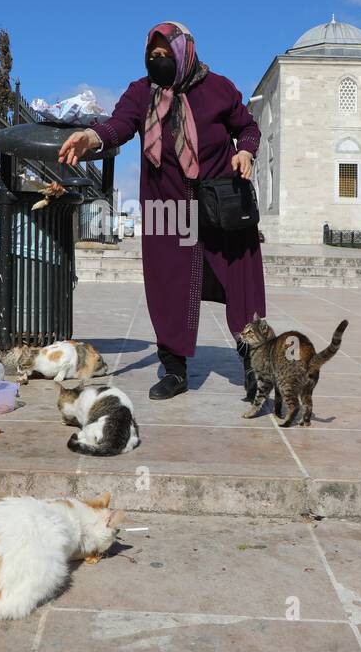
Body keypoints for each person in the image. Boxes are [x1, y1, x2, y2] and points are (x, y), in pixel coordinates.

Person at [59, 22, 267, 399]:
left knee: (240, 282)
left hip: (222, 201)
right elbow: (120, 125)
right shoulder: (141, 93)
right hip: (167, 204)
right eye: (152, 56)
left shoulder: (218, 88)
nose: (158, 62)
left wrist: (245, 151)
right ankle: (174, 370)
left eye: (165, 54)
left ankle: (255, 364)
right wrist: (91, 137)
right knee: (169, 285)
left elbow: (248, 127)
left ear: (185, 51)